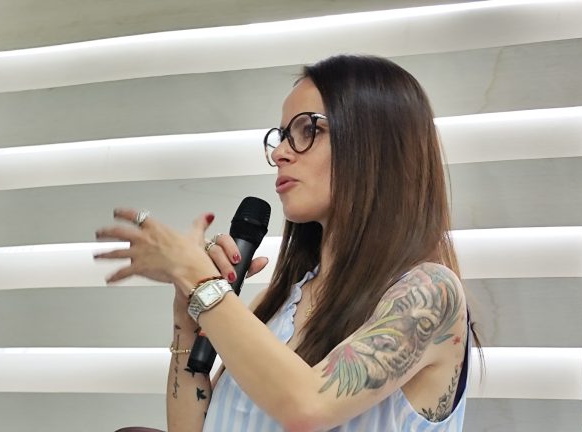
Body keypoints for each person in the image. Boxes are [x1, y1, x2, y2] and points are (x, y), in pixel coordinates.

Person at [95, 54, 480, 432]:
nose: (280, 153)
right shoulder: (278, 302)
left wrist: (198, 278)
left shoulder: (430, 293)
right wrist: (186, 314)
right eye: (281, 136)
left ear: (375, 144)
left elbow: (308, 407)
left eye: (308, 130)